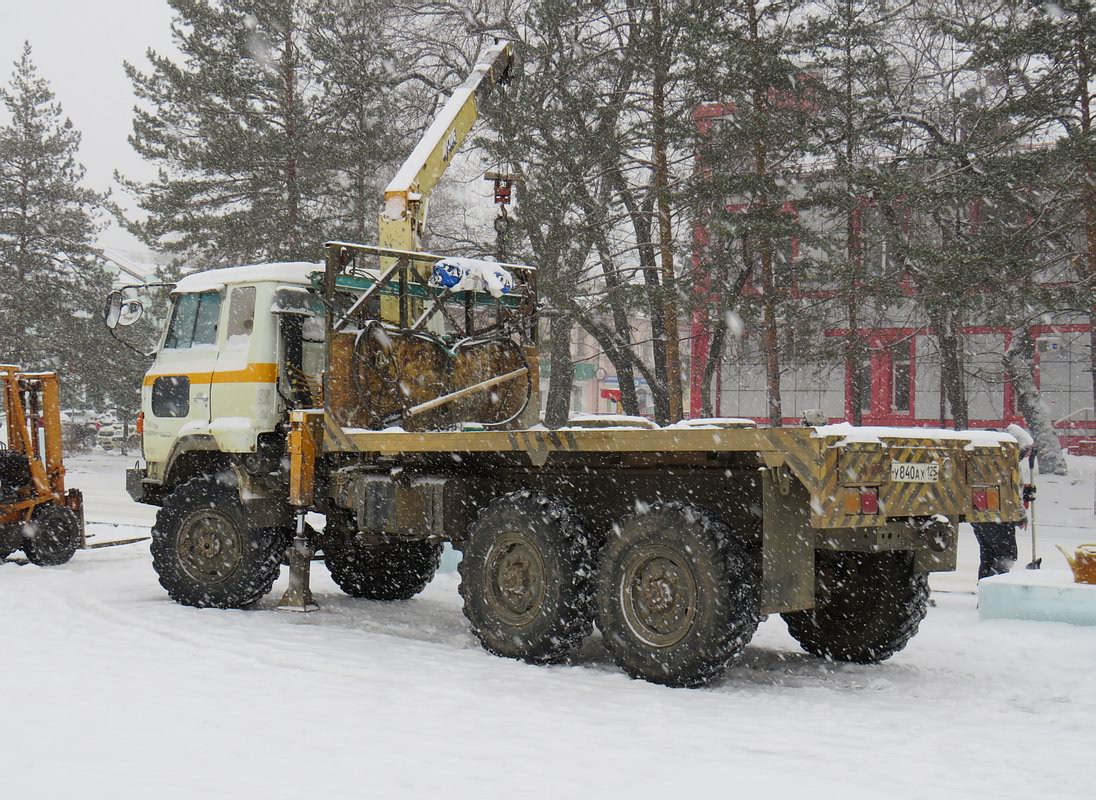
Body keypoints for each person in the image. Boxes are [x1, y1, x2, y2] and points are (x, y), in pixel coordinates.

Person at [971, 424, 1033, 580]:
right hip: (999, 517)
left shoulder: (976, 461)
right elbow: (1011, 493)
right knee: (1006, 557)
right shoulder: (1004, 461)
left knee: (988, 556)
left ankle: (984, 594)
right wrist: (1021, 515)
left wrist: (1024, 493)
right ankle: (994, 594)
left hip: (979, 517)